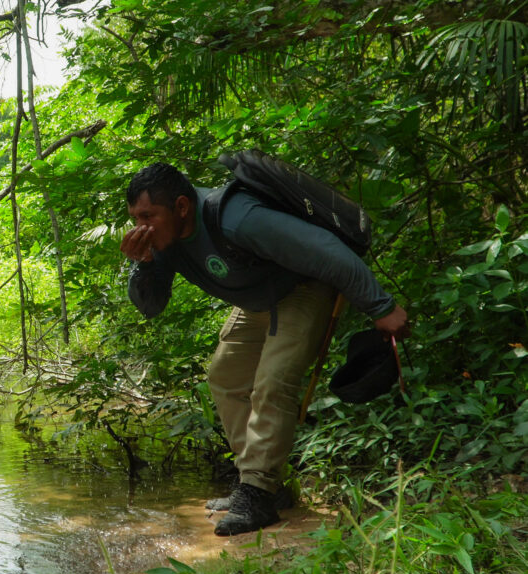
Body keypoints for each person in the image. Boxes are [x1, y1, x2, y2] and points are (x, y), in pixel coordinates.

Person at [120, 162, 409, 536]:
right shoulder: (163, 241)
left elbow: (326, 250)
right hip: (258, 300)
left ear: (180, 207)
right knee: (225, 377)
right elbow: (151, 306)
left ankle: (256, 494)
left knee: (274, 382)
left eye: (148, 216)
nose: (141, 227)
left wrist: (381, 307)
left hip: (303, 286)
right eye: (134, 218)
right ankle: (262, 487)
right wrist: (143, 265)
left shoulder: (237, 219)